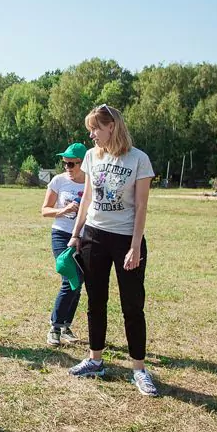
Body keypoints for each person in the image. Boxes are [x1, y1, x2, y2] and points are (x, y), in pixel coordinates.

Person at [67, 104, 157, 396]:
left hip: (125, 240)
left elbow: (142, 206)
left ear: (112, 127)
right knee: (96, 301)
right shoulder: (92, 157)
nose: (91, 135)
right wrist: (76, 233)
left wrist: (134, 247)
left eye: (95, 128)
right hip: (94, 236)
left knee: (132, 305)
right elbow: (88, 199)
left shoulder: (139, 159)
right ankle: (95, 360)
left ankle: (139, 369)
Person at [41, 142, 87, 346]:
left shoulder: (92, 183)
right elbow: (45, 210)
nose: (67, 167)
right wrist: (63, 210)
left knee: (79, 282)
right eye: (65, 163)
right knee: (70, 278)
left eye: (72, 164)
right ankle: (55, 326)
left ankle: (66, 325)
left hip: (86, 237)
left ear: (83, 164)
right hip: (61, 234)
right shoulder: (58, 181)